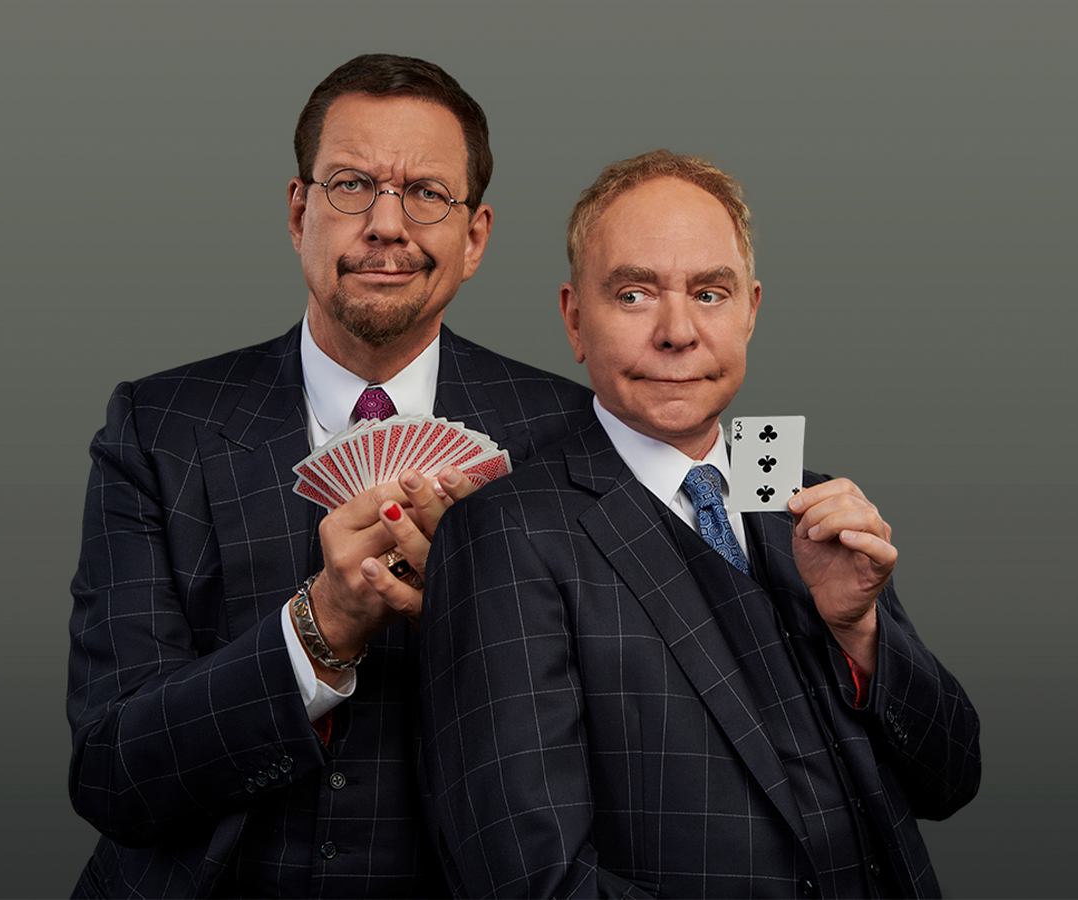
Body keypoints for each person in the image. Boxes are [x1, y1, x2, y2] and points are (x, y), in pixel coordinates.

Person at [66, 54, 593, 898]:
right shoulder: (160, 429)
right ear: (297, 210)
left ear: (477, 237)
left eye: (426, 193)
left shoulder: (571, 434)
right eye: (351, 184)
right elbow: (113, 772)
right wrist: (321, 626)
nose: (387, 225)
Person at [420, 151, 981, 898]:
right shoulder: (508, 534)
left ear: (751, 310)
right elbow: (531, 881)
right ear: (574, 318)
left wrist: (862, 633)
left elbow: (951, 779)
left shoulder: (805, 498)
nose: (678, 331)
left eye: (710, 294)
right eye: (633, 294)